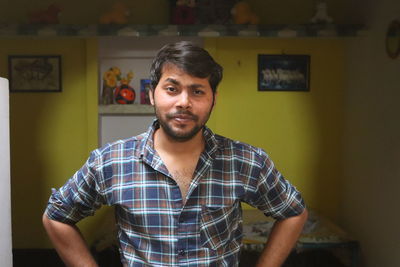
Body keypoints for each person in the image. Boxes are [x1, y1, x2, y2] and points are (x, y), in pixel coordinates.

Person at [43, 41, 308, 267]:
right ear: (151, 95)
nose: (184, 101)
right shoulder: (110, 162)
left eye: (197, 91)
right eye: (172, 89)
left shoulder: (246, 161)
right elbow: (56, 217)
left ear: (213, 99)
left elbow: (294, 212)